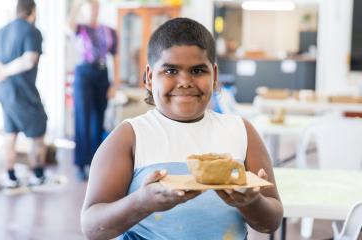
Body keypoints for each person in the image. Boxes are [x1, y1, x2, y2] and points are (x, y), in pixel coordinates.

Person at [81, 18, 283, 239]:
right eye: (170, 71)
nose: (185, 81)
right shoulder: (130, 137)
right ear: (149, 77)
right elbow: (92, 227)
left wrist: (253, 202)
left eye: (197, 70)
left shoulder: (241, 131)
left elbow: (270, 222)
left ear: (214, 76)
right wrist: (141, 203)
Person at [0, 0, 47, 188]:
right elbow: (29, 60)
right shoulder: (32, 31)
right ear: (33, 11)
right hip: (23, 94)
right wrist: (3, 71)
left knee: (10, 134)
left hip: (4, 93)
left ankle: (10, 177)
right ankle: (38, 176)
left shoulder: (0, 31)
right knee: (38, 135)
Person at [68, 0, 118, 180]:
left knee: (99, 119)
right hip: (83, 74)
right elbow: (69, 22)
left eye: (96, 7)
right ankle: (81, 164)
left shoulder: (109, 30)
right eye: (90, 8)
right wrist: (78, 4)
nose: (94, 11)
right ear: (85, 9)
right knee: (82, 118)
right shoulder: (79, 28)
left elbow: (115, 58)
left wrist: (114, 83)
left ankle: (97, 162)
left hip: (103, 74)